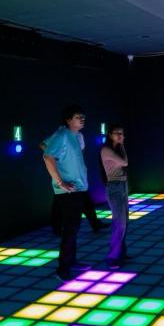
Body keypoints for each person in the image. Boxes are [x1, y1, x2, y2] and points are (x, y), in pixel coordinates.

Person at [42, 105, 92, 281]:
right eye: (78, 116)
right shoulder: (62, 135)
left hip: (78, 187)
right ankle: (62, 268)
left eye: (83, 116)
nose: (82, 119)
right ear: (68, 119)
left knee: (74, 227)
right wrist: (60, 182)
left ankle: (71, 262)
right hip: (68, 190)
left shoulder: (76, 136)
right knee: (70, 228)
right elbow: (47, 156)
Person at [40, 140, 108, 235]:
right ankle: (58, 228)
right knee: (60, 201)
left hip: (76, 175)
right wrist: (58, 156)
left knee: (83, 199)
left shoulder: (77, 136)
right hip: (65, 175)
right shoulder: (61, 135)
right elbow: (44, 147)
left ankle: (94, 224)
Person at [100, 124, 130, 269]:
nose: (120, 135)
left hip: (122, 186)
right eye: (117, 133)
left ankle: (120, 253)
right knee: (120, 223)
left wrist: (121, 145)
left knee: (125, 221)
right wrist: (122, 145)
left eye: (122, 133)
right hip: (114, 188)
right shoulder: (106, 149)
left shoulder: (115, 148)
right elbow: (125, 162)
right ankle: (112, 257)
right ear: (109, 134)